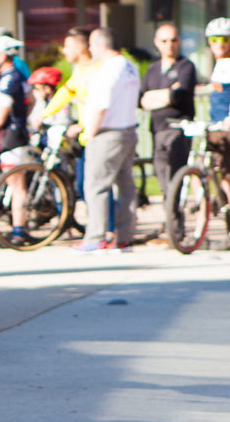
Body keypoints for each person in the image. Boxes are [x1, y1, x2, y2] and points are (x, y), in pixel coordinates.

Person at [75, 27, 141, 252]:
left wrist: (90, 133)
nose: (90, 49)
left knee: (96, 186)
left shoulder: (109, 69)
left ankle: (96, 237)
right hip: (127, 130)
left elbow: (101, 105)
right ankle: (124, 237)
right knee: (125, 186)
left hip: (107, 133)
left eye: (91, 45)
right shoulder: (129, 66)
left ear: (102, 46)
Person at [0, 35, 35, 246]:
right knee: (15, 184)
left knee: (17, 185)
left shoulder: (9, 80)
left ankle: (19, 230)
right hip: (14, 133)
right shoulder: (15, 76)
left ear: (2, 56)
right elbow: (31, 100)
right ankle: (19, 227)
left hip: (11, 137)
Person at [141, 21, 197, 201]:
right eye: (164, 41)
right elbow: (141, 99)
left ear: (179, 41)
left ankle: (176, 217)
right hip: (157, 128)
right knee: (162, 176)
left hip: (178, 128)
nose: (169, 45)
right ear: (156, 42)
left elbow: (177, 96)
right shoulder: (153, 69)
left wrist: (156, 97)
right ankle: (170, 212)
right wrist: (166, 95)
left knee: (175, 175)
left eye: (173, 40)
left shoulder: (186, 66)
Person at [206, 18, 230, 126]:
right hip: (217, 123)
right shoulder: (220, 63)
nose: (220, 44)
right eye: (214, 40)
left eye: (225, 39)